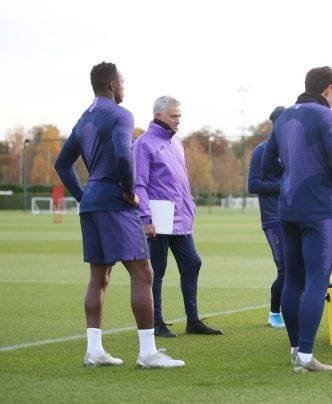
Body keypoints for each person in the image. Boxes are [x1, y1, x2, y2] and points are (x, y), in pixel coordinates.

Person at [54, 62, 184, 368]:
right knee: (143, 273)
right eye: (122, 81)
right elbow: (124, 155)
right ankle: (148, 353)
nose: (124, 86)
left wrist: (84, 197)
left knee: (99, 277)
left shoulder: (84, 119)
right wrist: (128, 192)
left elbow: (62, 164)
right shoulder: (120, 115)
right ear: (113, 84)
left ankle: (95, 350)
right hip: (115, 201)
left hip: (93, 204)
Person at [261, 66, 332, 372]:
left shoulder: (283, 116)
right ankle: (308, 357)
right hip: (316, 208)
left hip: (286, 207)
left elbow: (268, 160)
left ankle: (296, 351)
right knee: (316, 279)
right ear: (328, 88)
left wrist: (287, 177)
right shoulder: (325, 116)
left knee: (293, 278)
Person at [133, 96, 222, 338]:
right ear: (159, 115)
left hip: (181, 220)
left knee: (193, 263)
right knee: (157, 271)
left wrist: (189, 205)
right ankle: (156, 322)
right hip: (158, 220)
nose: (178, 121)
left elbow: (180, 179)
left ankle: (192, 321)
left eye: (179, 116)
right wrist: (146, 218)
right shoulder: (143, 144)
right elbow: (138, 184)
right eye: (174, 116)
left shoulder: (176, 142)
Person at [248, 106, 287, 328]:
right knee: (285, 269)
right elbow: (253, 184)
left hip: (295, 216)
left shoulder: (294, 150)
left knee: (298, 266)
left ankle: (294, 309)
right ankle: (274, 313)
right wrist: (283, 185)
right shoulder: (262, 151)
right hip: (273, 219)